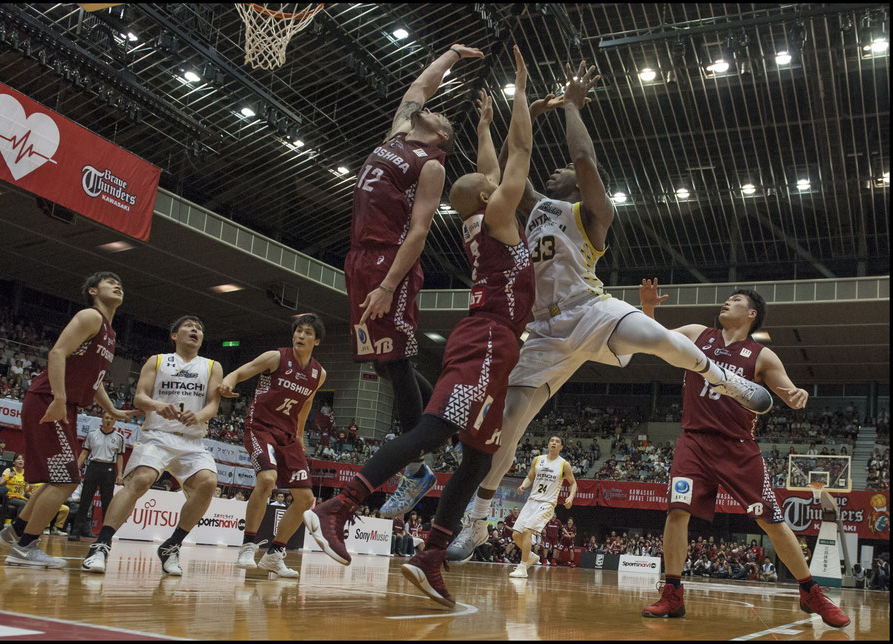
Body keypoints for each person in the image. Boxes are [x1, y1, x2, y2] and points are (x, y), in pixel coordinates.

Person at [448, 61, 772, 562]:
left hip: (590, 310)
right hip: (543, 332)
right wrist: (521, 115)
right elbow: (506, 167)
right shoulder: (533, 208)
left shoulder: (590, 214)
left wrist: (573, 107)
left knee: (659, 338)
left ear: (577, 187)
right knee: (508, 427)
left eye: (567, 174)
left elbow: (583, 160)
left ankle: (724, 379)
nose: (557, 171)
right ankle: (477, 522)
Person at [304, 46, 535, 608]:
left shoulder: (482, 214)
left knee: (480, 455)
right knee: (432, 429)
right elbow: (520, 151)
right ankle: (342, 504)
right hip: (485, 337)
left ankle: (431, 553)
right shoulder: (496, 212)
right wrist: (522, 92)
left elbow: (485, 162)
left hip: (497, 346)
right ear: (488, 195)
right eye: (492, 183)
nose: (501, 184)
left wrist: (480, 122)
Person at [637, 280, 849, 628]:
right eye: (726, 299)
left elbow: (784, 389)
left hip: (738, 449)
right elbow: (653, 340)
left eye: (735, 300)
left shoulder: (762, 355)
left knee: (772, 521)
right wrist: (648, 310)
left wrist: (795, 394)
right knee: (677, 512)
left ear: (751, 314)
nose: (726, 303)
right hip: (693, 442)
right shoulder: (696, 333)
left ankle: (811, 592)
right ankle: (672, 593)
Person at [345, 42, 485, 519]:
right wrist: (450, 55)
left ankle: (417, 463)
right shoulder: (400, 132)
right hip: (358, 258)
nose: (432, 111)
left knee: (399, 359)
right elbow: (419, 88)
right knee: (383, 361)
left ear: (441, 136)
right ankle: (438, 423)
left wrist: (388, 284)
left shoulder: (431, 164)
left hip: (390, 262)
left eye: (439, 116)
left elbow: (420, 230)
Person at [0, 273, 137, 568]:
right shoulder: (90, 316)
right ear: (93, 291)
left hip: (64, 404)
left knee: (58, 479)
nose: (118, 285)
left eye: (120, 282)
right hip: (50, 399)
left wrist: (113, 409)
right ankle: (24, 547)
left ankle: (16, 531)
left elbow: (94, 381)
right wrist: (58, 398)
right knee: (67, 480)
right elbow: (57, 352)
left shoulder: (110, 333)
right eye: (110, 282)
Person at [81, 315, 223, 575]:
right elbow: (139, 398)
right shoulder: (157, 361)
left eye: (200, 328)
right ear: (174, 335)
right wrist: (158, 405)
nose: (195, 330)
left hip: (192, 440)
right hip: (157, 435)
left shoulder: (212, 366)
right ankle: (100, 546)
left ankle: (172, 546)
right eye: (189, 326)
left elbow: (213, 405)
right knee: (141, 479)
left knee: (208, 483)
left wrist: (200, 416)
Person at [219, 314, 327, 578]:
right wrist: (230, 380)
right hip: (261, 427)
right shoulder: (276, 357)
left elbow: (306, 406)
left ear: (317, 341)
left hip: (289, 435)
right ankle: (247, 545)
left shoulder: (319, 374)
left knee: (305, 498)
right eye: (298, 331)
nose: (301, 336)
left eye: (307, 333)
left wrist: (300, 438)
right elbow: (245, 369)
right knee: (267, 479)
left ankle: (275, 554)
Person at [509, 436, 576, 578]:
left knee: (527, 531)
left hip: (547, 504)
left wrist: (570, 497)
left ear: (561, 447)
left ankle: (522, 567)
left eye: (557, 442)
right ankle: (532, 556)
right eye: (552, 440)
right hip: (531, 501)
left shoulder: (564, 464)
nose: (554, 443)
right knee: (516, 535)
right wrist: (523, 485)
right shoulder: (538, 459)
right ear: (548, 444)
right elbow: (530, 477)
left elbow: (573, 483)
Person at [68, 410, 126, 541]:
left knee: (107, 503)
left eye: (111, 418)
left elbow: (120, 457)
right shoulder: (92, 435)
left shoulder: (119, 437)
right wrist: (76, 468)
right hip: (93, 467)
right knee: (85, 501)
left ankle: (105, 535)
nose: (108, 420)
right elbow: (84, 453)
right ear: (102, 419)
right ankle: (75, 532)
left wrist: (120, 474)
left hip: (109, 468)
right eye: (106, 418)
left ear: (115, 421)